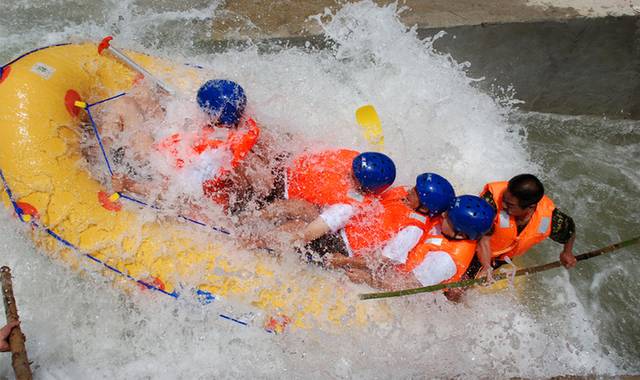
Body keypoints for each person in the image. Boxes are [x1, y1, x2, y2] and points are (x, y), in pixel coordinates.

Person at [336, 195, 495, 292]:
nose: (443, 215)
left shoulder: (444, 261)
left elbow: (406, 286)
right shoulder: (452, 229)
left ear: (460, 234)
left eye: (447, 217)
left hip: (390, 282)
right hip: (387, 264)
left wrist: (368, 279)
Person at [256, 150, 396, 254]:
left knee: (299, 214)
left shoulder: (347, 207)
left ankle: (256, 241)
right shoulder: (356, 159)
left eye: (352, 176)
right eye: (352, 169)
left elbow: (309, 233)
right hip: (284, 173)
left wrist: (286, 240)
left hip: (282, 192)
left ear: (362, 187)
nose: (348, 173)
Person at [327, 172, 455, 268]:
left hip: (345, 251)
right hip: (341, 230)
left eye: (416, 191)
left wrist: (344, 261)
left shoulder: (412, 230)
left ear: (425, 208)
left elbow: (381, 261)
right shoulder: (404, 195)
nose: (410, 190)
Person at [470, 174, 577, 281]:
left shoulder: (551, 219)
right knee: (456, 292)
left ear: (531, 207)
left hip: (500, 258)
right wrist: (486, 267)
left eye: (510, 204)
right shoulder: (489, 202)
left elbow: (570, 230)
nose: (503, 204)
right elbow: (482, 237)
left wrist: (567, 253)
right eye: (504, 199)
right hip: (474, 247)